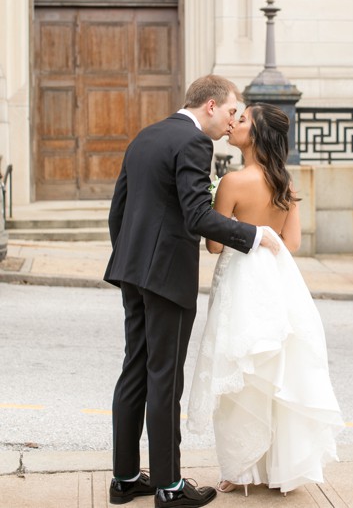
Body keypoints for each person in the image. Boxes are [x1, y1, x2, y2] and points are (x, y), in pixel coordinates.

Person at [104, 75, 280, 507]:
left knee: (135, 370)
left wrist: (131, 260)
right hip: (165, 276)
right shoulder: (194, 143)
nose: (231, 122)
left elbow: (118, 210)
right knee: (165, 378)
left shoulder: (146, 136)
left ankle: (125, 479)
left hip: (132, 270)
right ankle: (168, 487)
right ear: (210, 106)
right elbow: (197, 215)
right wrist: (254, 235)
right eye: (231, 112)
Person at [187, 103, 343, 495]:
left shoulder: (233, 183)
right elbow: (290, 243)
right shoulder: (284, 184)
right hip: (278, 281)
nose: (233, 123)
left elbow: (213, 245)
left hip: (241, 283)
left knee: (242, 372)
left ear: (254, 135)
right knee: (279, 371)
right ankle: (280, 467)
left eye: (241, 120)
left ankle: (239, 469)